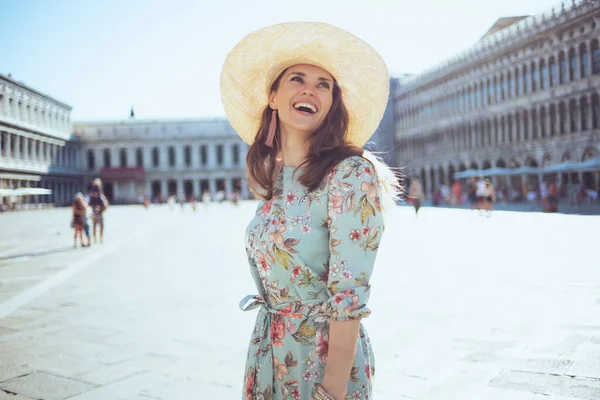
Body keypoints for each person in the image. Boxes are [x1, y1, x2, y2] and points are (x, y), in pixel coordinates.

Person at [221, 22, 401, 400]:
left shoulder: (350, 174)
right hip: (268, 351)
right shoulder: (276, 178)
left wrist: (333, 386)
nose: (309, 90)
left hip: (321, 361)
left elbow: (350, 293)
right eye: (297, 79)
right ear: (273, 97)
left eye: (324, 84)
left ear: (332, 103)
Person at [88, 179, 109, 244]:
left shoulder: (96, 195)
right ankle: (97, 239)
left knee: (99, 227)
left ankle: (99, 239)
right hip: (96, 213)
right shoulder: (97, 195)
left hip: (98, 213)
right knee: (96, 227)